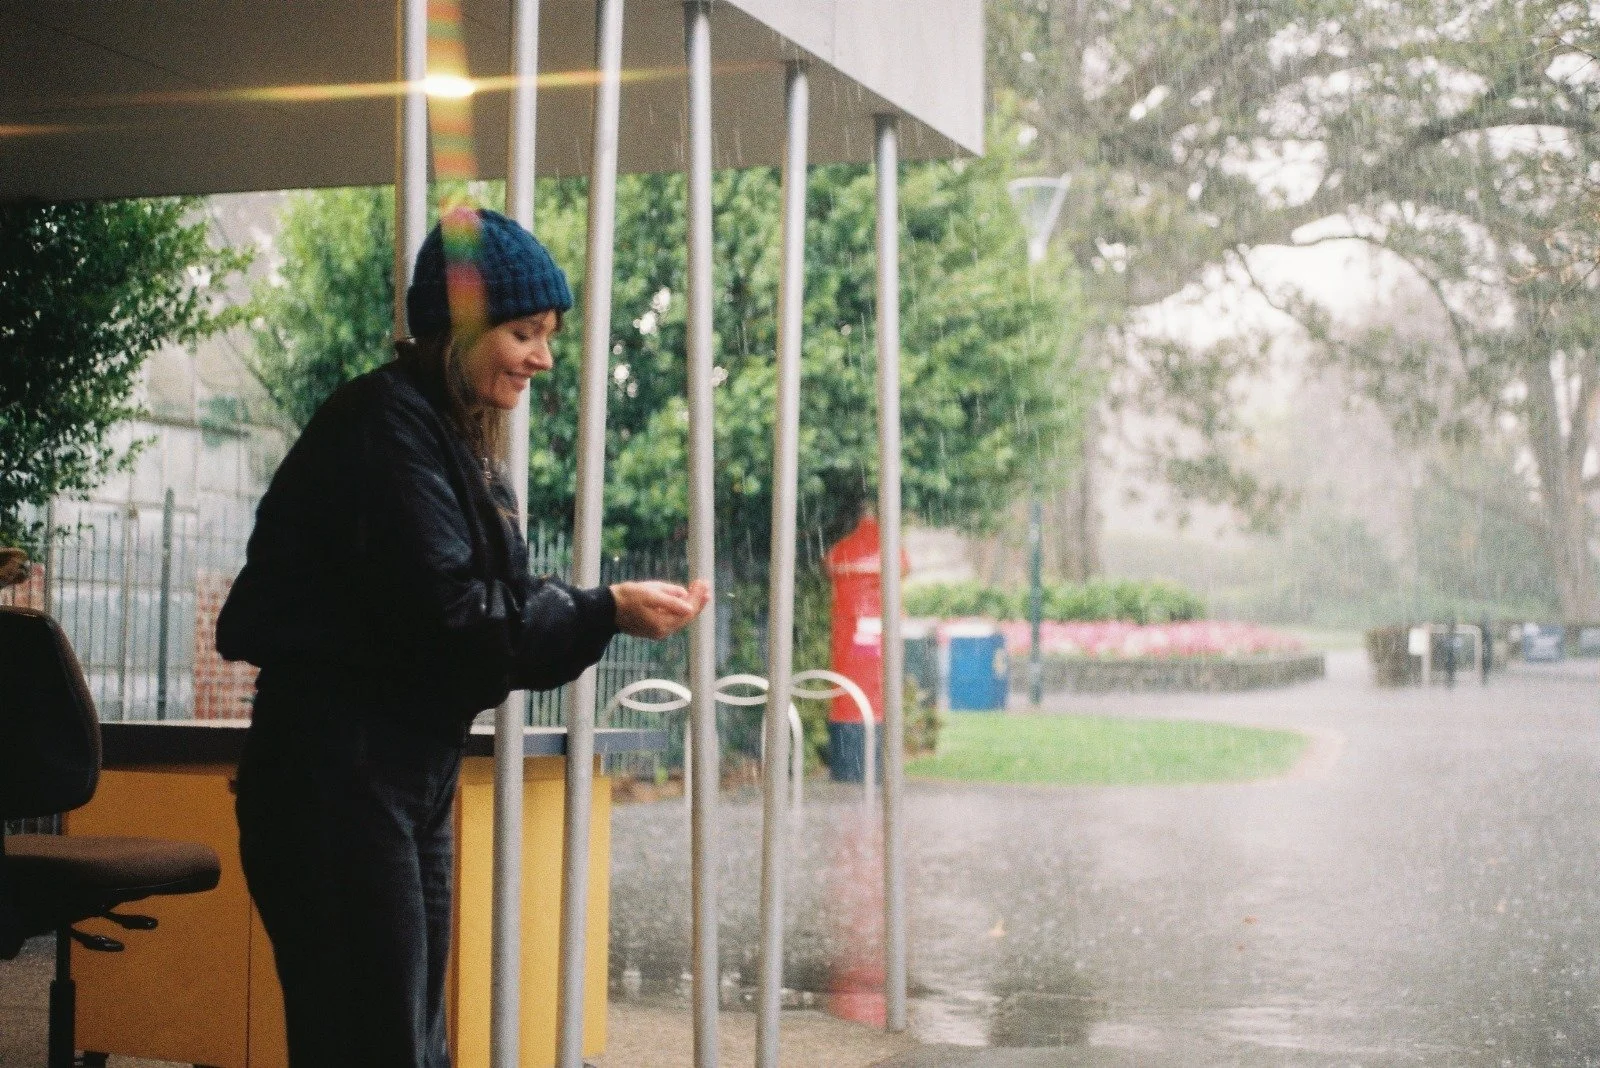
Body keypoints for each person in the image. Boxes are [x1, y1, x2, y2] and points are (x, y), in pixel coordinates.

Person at [216, 207, 707, 1067]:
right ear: (458, 329)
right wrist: (604, 610)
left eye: (548, 335)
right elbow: (456, 618)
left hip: (397, 775)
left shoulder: (448, 433)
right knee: (375, 1045)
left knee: (406, 1042)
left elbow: (489, 604)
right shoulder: (386, 428)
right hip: (338, 778)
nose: (543, 357)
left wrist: (600, 608)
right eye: (523, 332)